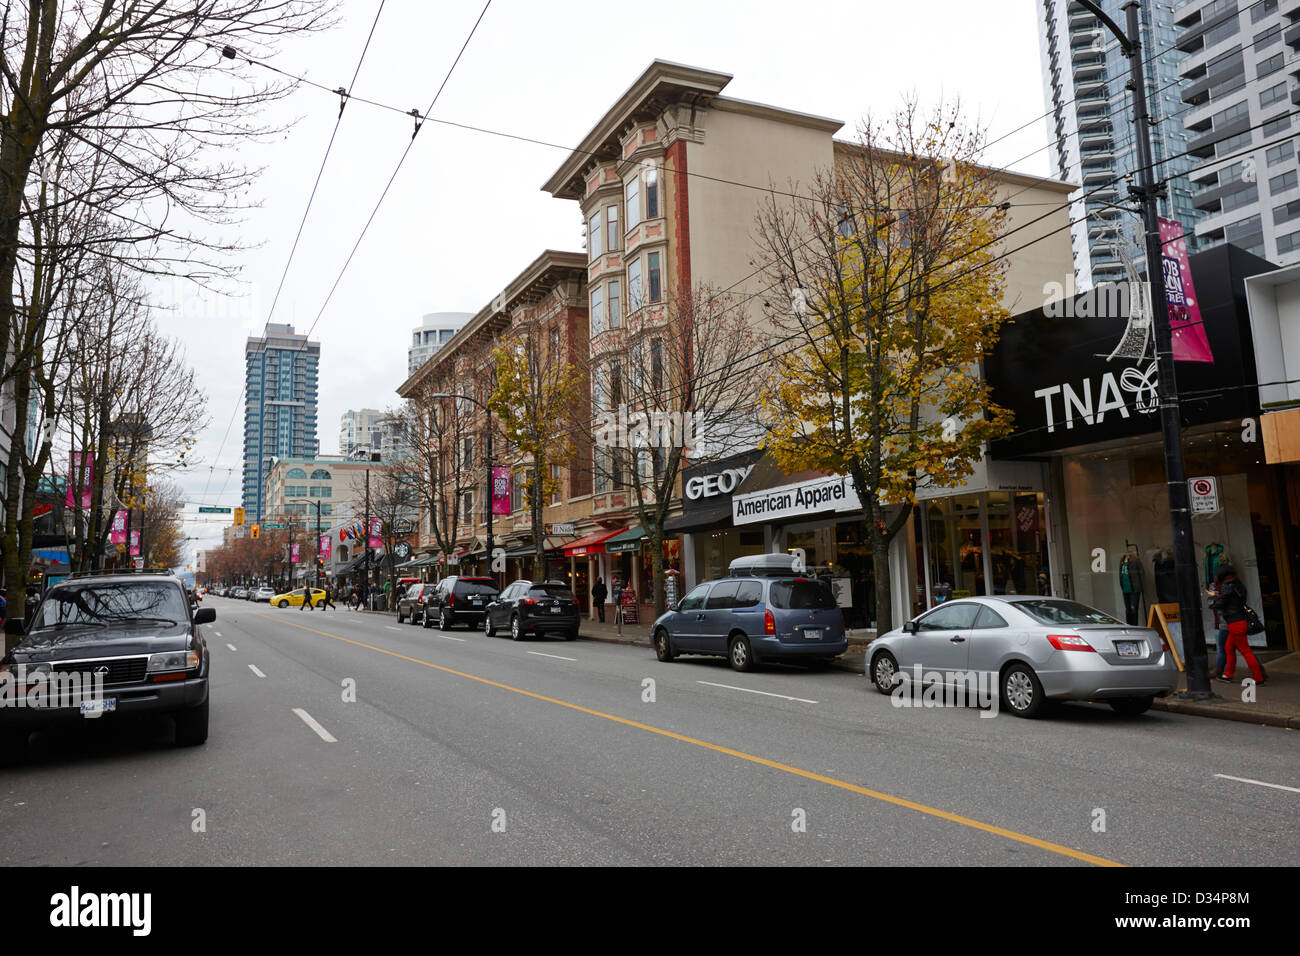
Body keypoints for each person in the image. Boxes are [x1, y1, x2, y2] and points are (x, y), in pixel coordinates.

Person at [1207, 564, 1266, 685]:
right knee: (1229, 648)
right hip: (1239, 620)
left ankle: (1258, 678)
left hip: (1235, 622)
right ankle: (1228, 675)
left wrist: (1214, 600)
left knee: (1245, 651)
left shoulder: (1226, 586)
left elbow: (1220, 603)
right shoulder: (1238, 584)